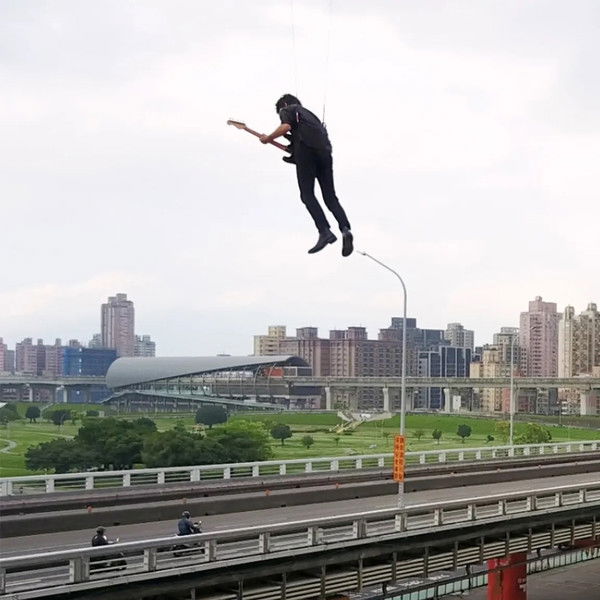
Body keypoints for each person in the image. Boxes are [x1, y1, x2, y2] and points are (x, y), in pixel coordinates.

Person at [259, 94, 353, 257]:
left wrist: (268, 138)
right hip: (325, 154)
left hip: (306, 152)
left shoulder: (288, 109)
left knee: (307, 195)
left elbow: (285, 127)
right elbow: (296, 138)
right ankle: (345, 229)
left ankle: (324, 231)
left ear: (284, 105)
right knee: (330, 198)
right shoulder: (313, 119)